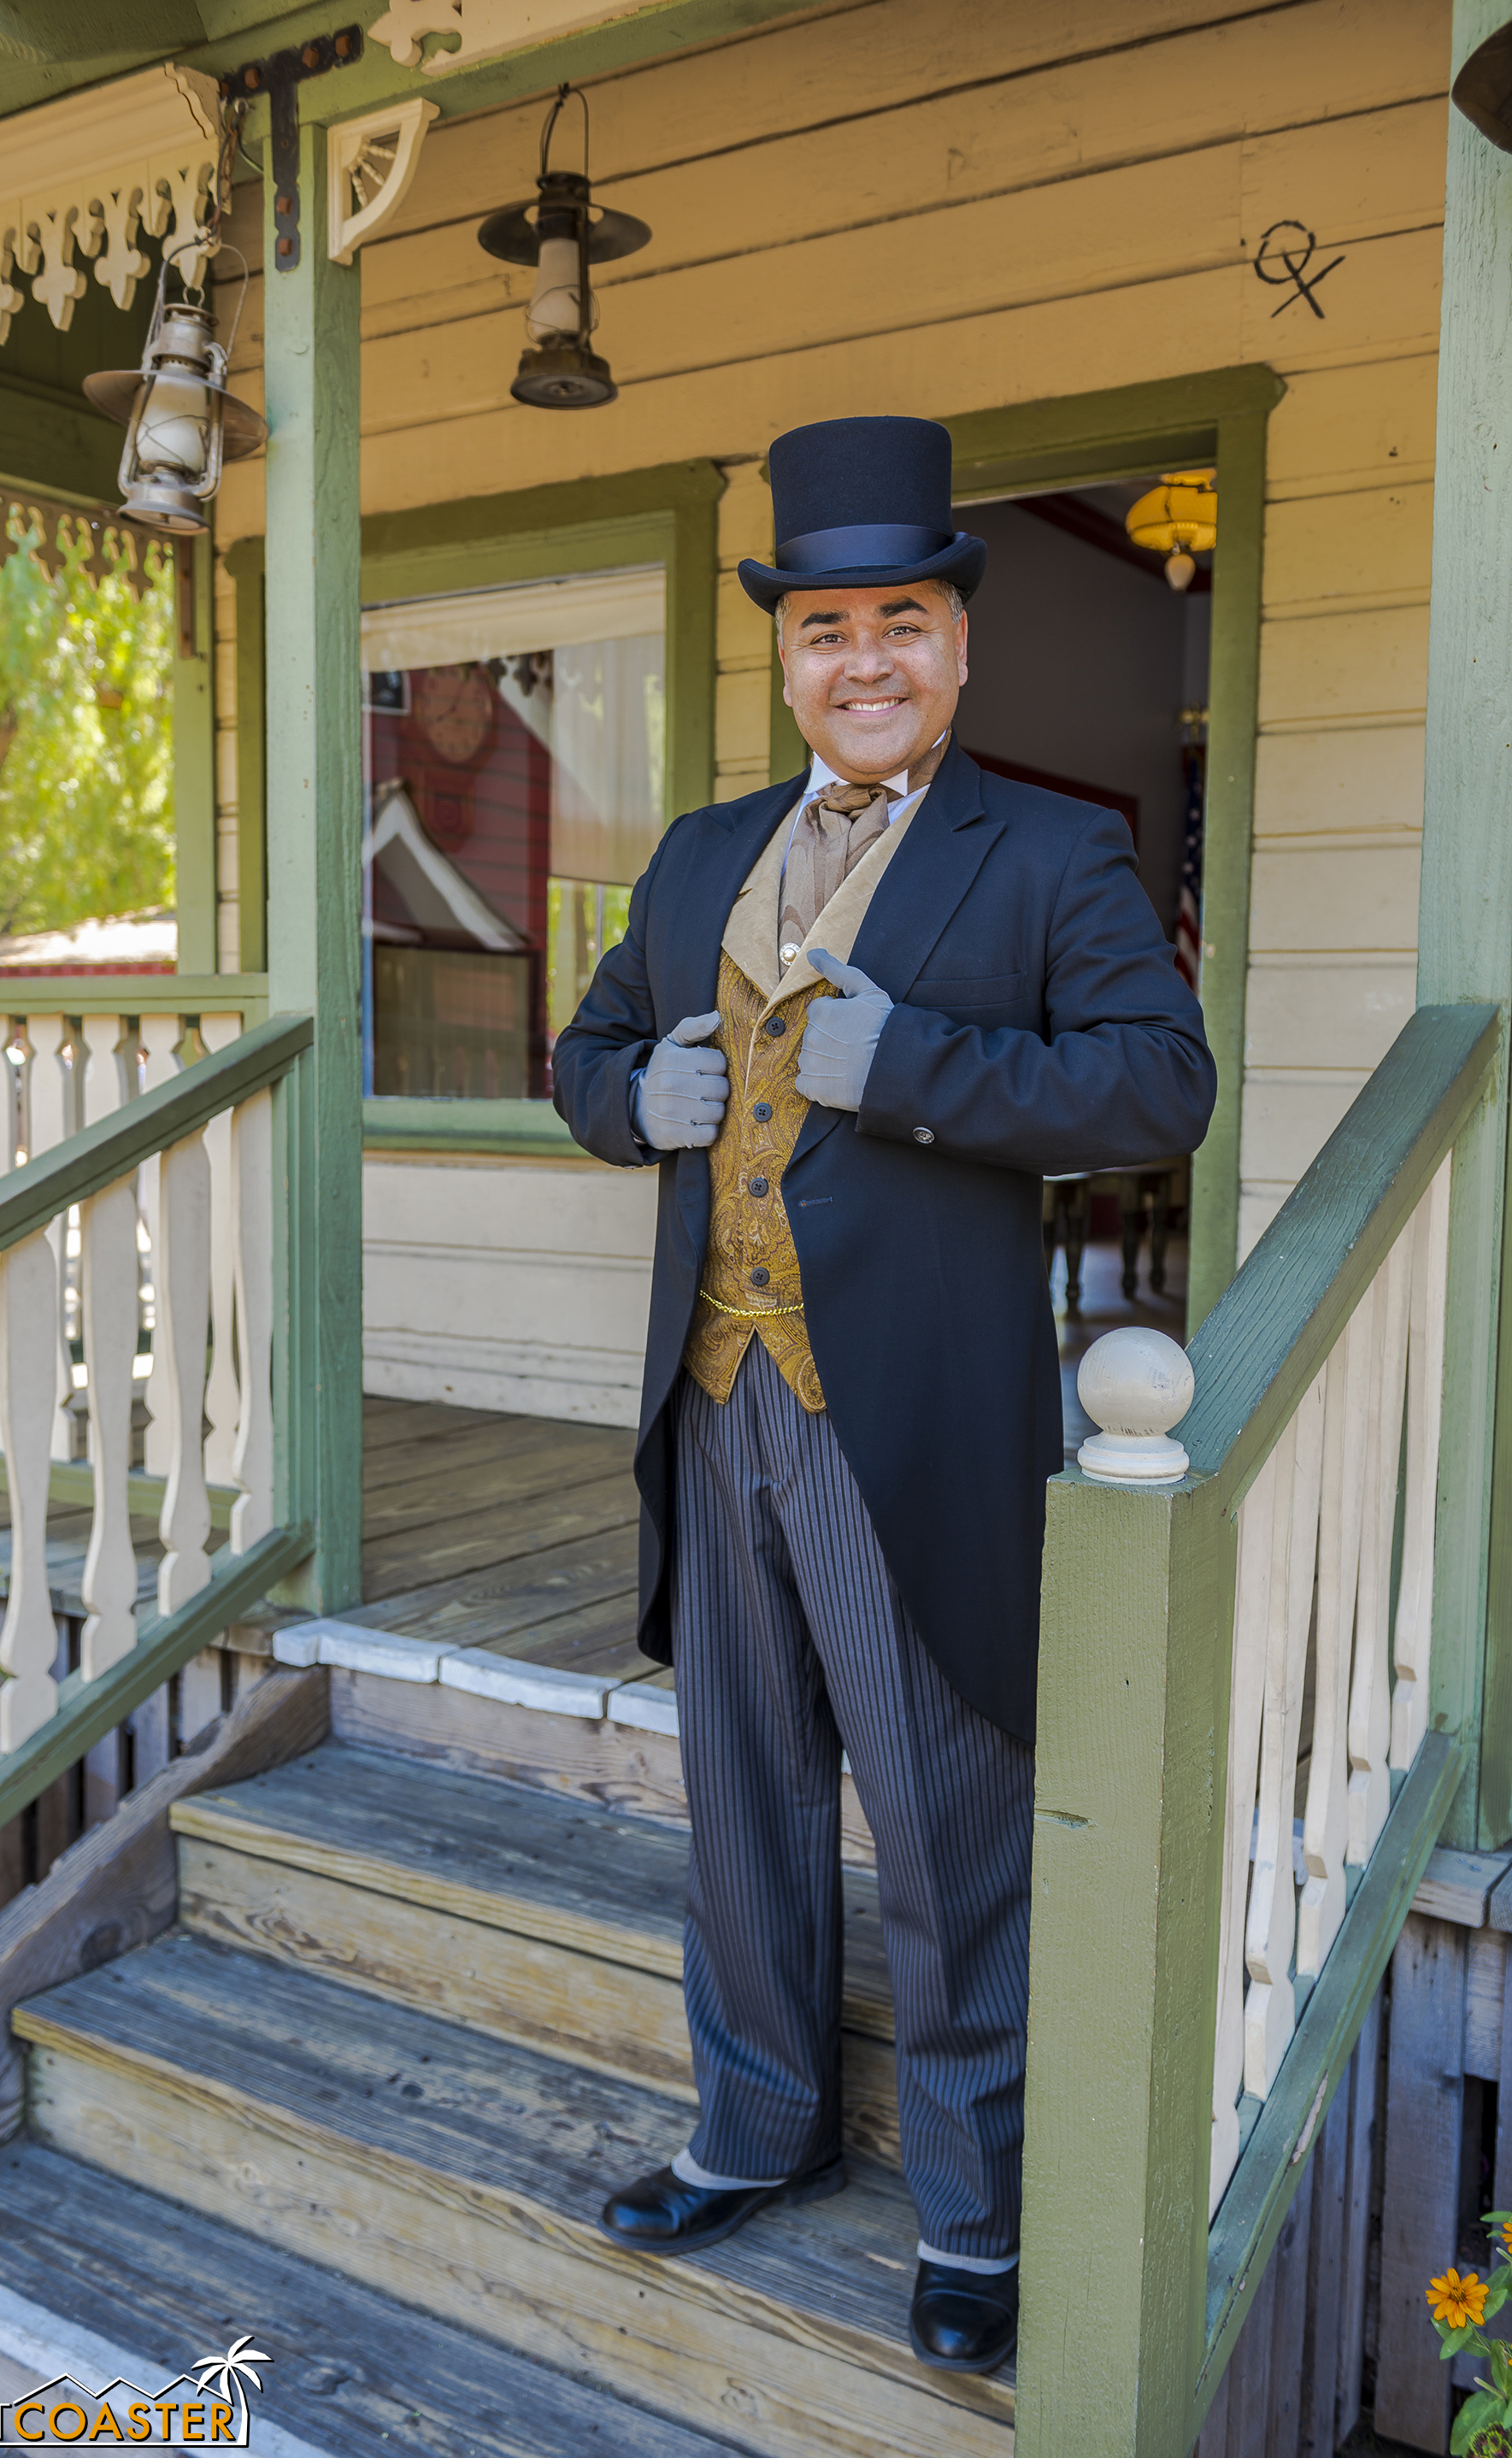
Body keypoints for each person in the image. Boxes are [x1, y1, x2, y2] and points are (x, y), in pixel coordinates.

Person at [551, 415, 1216, 2374]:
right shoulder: (694, 859)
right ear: (785, 648)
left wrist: (911, 1060)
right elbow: (590, 1051)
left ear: (954, 639)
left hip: (905, 1415)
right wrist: (631, 1104)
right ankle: (753, 2126)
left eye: (900, 621)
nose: (863, 658)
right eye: (827, 623)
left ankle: (980, 2209)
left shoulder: (1053, 852)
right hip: (717, 1389)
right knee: (742, 1797)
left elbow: (1158, 1086)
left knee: (944, 1821)